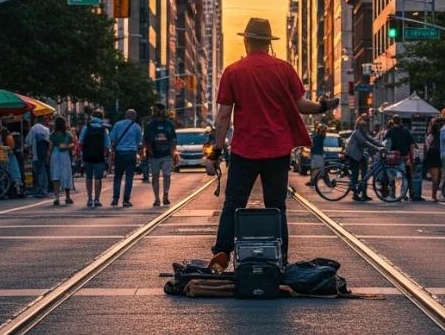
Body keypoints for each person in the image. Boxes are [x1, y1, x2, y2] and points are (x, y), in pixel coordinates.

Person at [207, 18, 339, 270]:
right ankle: (281, 257)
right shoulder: (284, 69)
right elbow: (302, 106)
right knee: (277, 206)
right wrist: (323, 106)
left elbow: (223, 116)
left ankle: (222, 253)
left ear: (246, 41)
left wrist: (215, 153)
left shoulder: (233, 71)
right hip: (278, 150)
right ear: (268, 43)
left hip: (245, 150)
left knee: (233, 203)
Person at [142, 103, 177, 206]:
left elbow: (173, 140)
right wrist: (150, 153)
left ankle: (165, 194)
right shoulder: (150, 125)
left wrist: (172, 153)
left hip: (166, 155)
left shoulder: (169, 124)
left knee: (167, 175)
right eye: (156, 110)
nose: (158, 112)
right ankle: (157, 198)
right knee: (155, 176)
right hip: (154, 156)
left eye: (160, 110)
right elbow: (146, 141)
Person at [110, 109, 142, 207]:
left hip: (120, 153)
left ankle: (115, 199)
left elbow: (112, 138)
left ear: (125, 115)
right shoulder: (137, 127)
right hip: (131, 153)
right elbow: (138, 142)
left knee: (117, 177)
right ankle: (126, 200)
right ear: (134, 116)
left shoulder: (117, 125)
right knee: (129, 177)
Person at [384, 118, 421, 201]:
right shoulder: (405, 131)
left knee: (392, 177)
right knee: (401, 176)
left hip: (392, 156)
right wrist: (412, 156)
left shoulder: (390, 131)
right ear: (400, 122)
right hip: (403, 157)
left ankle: (393, 194)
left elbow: (385, 142)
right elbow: (412, 144)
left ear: (393, 122)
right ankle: (401, 194)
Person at [80, 110, 111, 207]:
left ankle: (89, 199)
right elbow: (107, 145)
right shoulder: (104, 129)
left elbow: (81, 141)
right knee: (98, 178)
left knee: (89, 178)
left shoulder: (87, 127)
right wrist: (105, 156)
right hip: (99, 157)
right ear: (102, 118)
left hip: (87, 156)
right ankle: (97, 199)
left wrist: (82, 154)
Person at [49, 117, 75, 206]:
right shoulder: (68, 134)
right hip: (64, 155)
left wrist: (48, 158)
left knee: (56, 176)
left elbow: (50, 147)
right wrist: (67, 146)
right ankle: (67, 197)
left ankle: (57, 197)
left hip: (55, 155)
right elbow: (72, 144)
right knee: (66, 175)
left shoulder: (52, 134)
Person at [25, 116, 52, 198]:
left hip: (36, 153)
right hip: (44, 153)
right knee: (44, 170)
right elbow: (49, 142)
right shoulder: (46, 130)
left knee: (39, 171)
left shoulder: (33, 129)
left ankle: (41, 188)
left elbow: (28, 141)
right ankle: (45, 188)